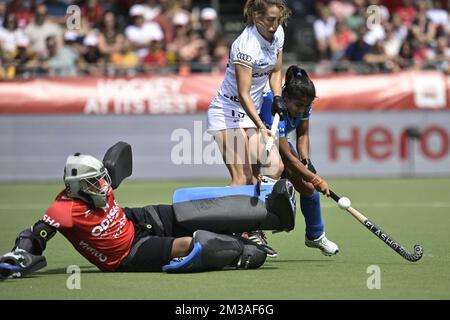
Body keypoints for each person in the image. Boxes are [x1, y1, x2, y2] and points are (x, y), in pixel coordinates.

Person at [0, 143, 296, 279]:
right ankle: (242, 248)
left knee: (193, 212)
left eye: (102, 177)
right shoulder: (63, 209)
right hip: (127, 254)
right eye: (94, 182)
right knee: (192, 244)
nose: (103, 185)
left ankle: (272, 213)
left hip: (135, 219)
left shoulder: (102, 187)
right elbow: (36, 233)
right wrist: (20, 254)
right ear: (77, 187)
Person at [207, 0, 291, 188]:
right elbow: (243, 94)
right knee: (243, 179)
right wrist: (261, 125)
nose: (274, 25)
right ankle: (219, 216)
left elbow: (276, 71)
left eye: (278, 20)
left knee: (274, 168)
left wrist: (277, 97)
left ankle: (256, 217)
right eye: (270, 20)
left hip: (250, 113)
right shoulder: (245, 46)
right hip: (227, 111)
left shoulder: (278, 34)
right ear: (256, 16)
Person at [259, 65, 339, 256]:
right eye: (299, 106)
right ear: (285, 97)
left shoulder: (303, 103)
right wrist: (316, 178)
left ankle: (315, 235)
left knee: (307, 188)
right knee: (267, 183)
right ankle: (253, 234)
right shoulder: (273, 108)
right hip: (257, 143)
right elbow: (287, 158)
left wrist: (306, 159)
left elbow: (302, 134)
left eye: (306, 106)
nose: (302, 110)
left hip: (280, 142)